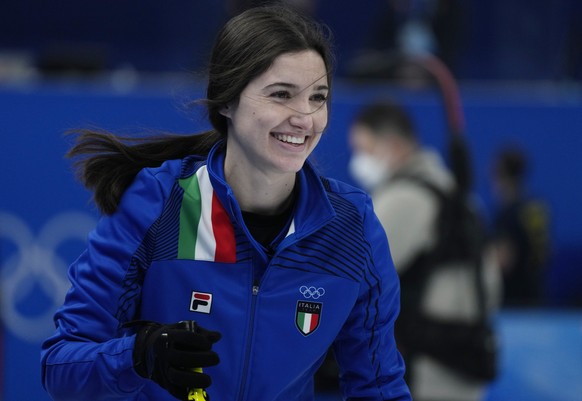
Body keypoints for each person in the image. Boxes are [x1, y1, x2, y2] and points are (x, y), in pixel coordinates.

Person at [40, 6, 411, 401]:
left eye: (318, 98)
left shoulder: (351, 227)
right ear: (226, 102)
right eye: (282, 95)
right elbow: (61, 365)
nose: (305, 118)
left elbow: (379, 387)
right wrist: (137, 356)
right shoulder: (157, 204)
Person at [349, 100, 501, 401]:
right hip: (460, 359)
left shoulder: (405, 197)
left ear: (391, 145)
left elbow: (352, 274)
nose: (359, 160)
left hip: (424, 371)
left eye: (363, 149)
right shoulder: (453, 193)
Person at [491, 146, 550, 306]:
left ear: (501, 175)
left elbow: (503, 261)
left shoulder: (508, 214)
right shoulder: (538, 208)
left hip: (513, 303)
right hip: (536, 297)